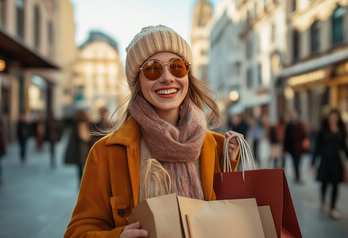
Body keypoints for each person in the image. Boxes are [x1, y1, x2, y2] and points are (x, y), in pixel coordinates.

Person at [64, 25, 243, 238]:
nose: (167, 77)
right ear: (137, 82)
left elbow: (226, 217)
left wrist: (229, 163)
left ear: (188, 75)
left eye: (177, 67)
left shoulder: (217, 146)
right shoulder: (106, 152)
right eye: (152, 68)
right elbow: (77, 232)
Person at [311, 109, 348, 220]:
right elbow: (317, 147)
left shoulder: (341, 130)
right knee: (324, 183)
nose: (333, 118)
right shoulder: (323, 131)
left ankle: (332, 208)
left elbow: (343, 147)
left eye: (335, 116)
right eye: (331, 116)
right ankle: (322, 200)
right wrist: (313, 161)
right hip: (325, 161)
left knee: (336, 184)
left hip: (336, 161)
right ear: (328, 117)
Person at [64, 110, 92, 186]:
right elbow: (84, 136)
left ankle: (81, 184)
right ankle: (82, 184)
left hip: (79, 150)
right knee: (83, 168)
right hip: (82, 150)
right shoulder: (82, 124)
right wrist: (91, 137)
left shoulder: (76, 124)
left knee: (80, 169)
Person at [283, 110, 308, 184]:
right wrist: (285, 149)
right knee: (295, 163)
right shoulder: (289, 126)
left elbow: (304, 135)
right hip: (292, 148)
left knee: (298, 163)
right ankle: (297, 177)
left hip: (299, 148)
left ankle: (298, 176)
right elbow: (286, 138)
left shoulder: (300, 125)